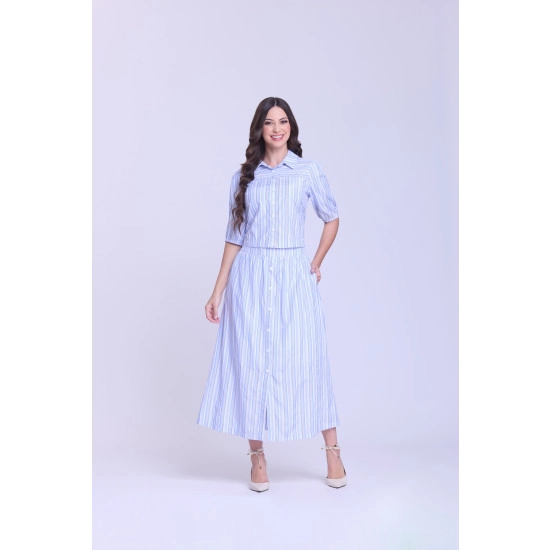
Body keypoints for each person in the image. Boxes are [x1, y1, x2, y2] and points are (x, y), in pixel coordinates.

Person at [196, 97, 346, 492]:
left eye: (282, 121)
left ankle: (333, 452)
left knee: (309, 358)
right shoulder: (244, 177)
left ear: (291, 127)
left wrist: (315, 261)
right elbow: (234, 236)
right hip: (250, 277)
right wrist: (217, 291)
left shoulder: (307, 171)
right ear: (259, 129)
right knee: (250, 361)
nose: (276, 129)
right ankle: (257, 458)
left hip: (293, 276)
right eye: (268, 122)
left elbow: (331, 218)